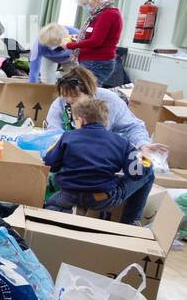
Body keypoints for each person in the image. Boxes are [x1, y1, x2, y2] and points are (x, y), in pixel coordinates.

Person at [43, 96, 154, 225]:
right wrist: (145, 158)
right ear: (105, 121)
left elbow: (50, 163)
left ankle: (58, 212)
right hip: (101, 199)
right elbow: (136, 174)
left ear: (80, 120)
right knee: (149, 173)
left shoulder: (67, 137)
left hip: (69, 195)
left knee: (52, 203)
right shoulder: (122, 143)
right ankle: (130, 223)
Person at [45, 65, 160, 158]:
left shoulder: (109, 100)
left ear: (90, 92)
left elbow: (132, 126)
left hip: (102, 154)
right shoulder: (59, 104)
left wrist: (143, 144)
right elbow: (54, 133)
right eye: (65, 96)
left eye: (75, 96)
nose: (69, 100)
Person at [65, 0, 123, 86]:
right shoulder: (99, 14)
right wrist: (78, 39)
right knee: (82, 93)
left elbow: (95, 41)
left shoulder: (108, 14)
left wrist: (70, 45)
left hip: (97, 62)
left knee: (85, 94)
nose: (85, 7)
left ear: (96, 0)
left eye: (85, 4)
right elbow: (93, 36)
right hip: (92, 61)